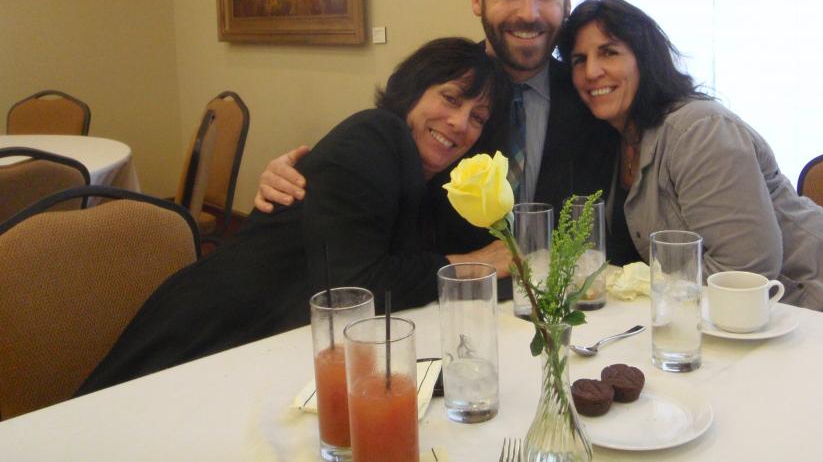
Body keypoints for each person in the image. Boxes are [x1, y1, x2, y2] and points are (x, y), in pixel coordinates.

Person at [76, 38, 512, 395]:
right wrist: (470, 265)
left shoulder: (434, 180)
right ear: (413, 90)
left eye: (477, 118)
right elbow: (354, 289)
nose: (460, 123)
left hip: (281, 342)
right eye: (450, 98)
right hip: (216, 328)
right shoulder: (375, 135)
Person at [254, 0, 618, 258]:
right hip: (438, 296)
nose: (529, 12)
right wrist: (303, 185)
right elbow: (366, 184)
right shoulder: (430, 91)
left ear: (567, 1)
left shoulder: (594, 100)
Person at [557, 0, 823, 325]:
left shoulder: (699, 130)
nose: (592, 71)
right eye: (578, 60)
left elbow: (748, 269)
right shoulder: (616, 141)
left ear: (644, 59)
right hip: (730, 320)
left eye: (609, 52)